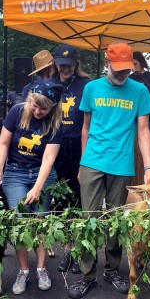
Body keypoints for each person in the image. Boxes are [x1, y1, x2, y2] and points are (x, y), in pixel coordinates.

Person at [67, 43, 150, 299]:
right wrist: (83, 163)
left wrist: (148, 168)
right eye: (117, 70)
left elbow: (143, 131)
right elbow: (85, 127)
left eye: (126, 70)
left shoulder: (139, 91)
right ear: (106, 63)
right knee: (88, 219)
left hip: (122, 165)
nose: (122, 75)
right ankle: (87, 275)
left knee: (117, 222)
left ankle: (112, 269)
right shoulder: (91, 88)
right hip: (93, 162)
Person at [0, 79, 63, 295]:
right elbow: (2, 143)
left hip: (43, 173)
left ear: (53, 107)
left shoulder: (56, 123)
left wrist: (38, 187)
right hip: (15, 172)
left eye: (44, 108)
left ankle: (40, 268)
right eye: (35, 106)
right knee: (20, 223)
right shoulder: (17, 112)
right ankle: (23, 270)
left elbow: (49, 158)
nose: (38, 111)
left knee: (40, 221)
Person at [49, 44, 91, 274]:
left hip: (78, 146)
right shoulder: (50, 85)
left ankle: (81, 251)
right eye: (61, 64)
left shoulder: (86, 85)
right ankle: (67, 248)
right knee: (63, 202)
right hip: (55, 147)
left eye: (69, 65)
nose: (65, 68)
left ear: (76, 65)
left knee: (80, 200)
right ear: (56, 64)